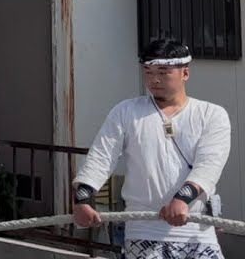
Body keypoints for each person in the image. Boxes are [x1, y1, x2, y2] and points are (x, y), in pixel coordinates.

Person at [73, 39, 232, 259]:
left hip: (196, 229)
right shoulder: (126, 111)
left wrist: (181, 199)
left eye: (163, 72)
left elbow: (209, 165)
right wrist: (82, 198)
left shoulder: (211, 115)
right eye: (148, 72)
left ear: (185, 73)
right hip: (143, 229)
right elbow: (101, 156)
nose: (154, 79)